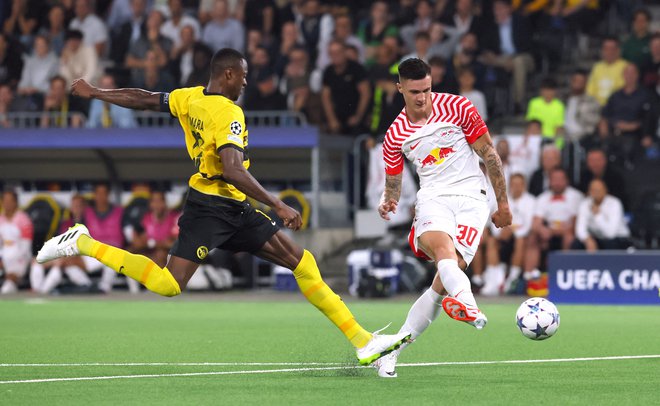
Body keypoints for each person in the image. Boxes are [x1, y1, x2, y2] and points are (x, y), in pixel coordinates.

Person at [37, 47, 410, 365]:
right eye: (243, 75)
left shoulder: (189, 97)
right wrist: (278, 203)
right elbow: (232, 169)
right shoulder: (229, 113)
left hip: (234, 208)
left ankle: (363, 342)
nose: (246, 82)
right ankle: (83, 242)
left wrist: (96, 91)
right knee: (169, 285)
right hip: (210, 207)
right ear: (229, 73)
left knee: (303, 262)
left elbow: (145, 98)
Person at [375, 58, 511, 377]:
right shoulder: (396, 135)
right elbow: (393, 183)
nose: (422, 97)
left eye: (427, 89)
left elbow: (489, 153)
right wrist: (388, 201)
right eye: (414, 92)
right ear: (400, 89)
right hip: (434, 197)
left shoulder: (458, 107)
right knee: (444, 256)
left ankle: (390, 351)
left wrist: (502, 203)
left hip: (472, 199)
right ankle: (471, 307)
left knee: (441, 285)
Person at [524, 167, 583, 280]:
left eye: (560, 179)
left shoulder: (576, 196)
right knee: (533, 237)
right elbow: (536, 223)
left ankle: (564, 276)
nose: (557, 183)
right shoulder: (543, 197)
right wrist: (542, 230)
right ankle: (529, 277)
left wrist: (557, 231)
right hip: (548, 233)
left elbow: (576, 224)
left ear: (567, 181)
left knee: (569, 237)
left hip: (568, 232)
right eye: (554, 179)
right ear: (549, 181)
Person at [481, 173, 535, 295]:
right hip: (502, 236)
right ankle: (492, 281)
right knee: (491, 241)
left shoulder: (530, 201)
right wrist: (499, 232)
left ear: (524, 186)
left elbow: (528, 225)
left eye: (519, 184)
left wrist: (513, 232)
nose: (516, 187)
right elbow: (494, 219)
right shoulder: (501, 200)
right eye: (513, 184)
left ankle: (512, 278)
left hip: (520, 238)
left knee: (521, 241)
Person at [321, 40, 371, 135]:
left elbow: (365, 94)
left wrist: (358, 116)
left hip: (356, 115)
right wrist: (332, 119)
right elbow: (325, 97)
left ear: (344, 52)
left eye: (338, 52)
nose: (335, 55)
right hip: (337, 116)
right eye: (332, 53)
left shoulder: (357, 69)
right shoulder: (328, 71)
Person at [573, 178, 630, 252]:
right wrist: (587, 239)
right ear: (589, 191)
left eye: (599, 190)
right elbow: (580, 229)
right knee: (576, 244)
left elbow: (610, 234)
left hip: (618, 238)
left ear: (605, 190)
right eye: (593, 190)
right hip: (596, 238)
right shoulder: (585, 204)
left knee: (610, 244)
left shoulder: (614, 203)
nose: (596, 193)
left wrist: (598, 215)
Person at [128, 191, 179, 268]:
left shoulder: (174, 218)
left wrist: (153, 244)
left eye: (159, 201)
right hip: (151, 254)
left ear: (164, 203)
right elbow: (140, 241)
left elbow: (172, 243)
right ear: (150, 204)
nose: (157, 205)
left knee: (160, 254)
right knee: (131, 252)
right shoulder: (146, 218)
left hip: (169, 256)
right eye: (154, 201)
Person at [0, 190, 33, 294]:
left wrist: (6, 262)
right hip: (4, 256)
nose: (7, 203)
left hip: (19, 258)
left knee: (6, 288)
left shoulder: (24, 219)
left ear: (16, 202)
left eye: (10, 201)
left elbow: (25, 248)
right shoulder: (1, 219)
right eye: (5, 201)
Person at [586, 37, 627, 106]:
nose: (609, 52)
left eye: (612, 49)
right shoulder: (597, 67)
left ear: (618, 50)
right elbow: (590, 91)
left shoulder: (626, 67)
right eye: (606, 49)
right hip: (596, 107)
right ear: (602, 51)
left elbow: (624, 91)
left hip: (617, 107)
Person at [564, 69, 601, 145]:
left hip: (583, 139)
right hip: (564, 139)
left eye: (581, 81)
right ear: (571, 81)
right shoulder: (564, 99)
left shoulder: (592, 101)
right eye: (576, 81)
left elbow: (594, 124)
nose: (578, 84)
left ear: (585, 83)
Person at [525, 77, 565, 148]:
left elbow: (559, 127)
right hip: (536, 140)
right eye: (545, 89)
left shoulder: (559, 106)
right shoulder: (534, 103)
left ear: (555, 91)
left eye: (550, 90)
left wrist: (556, 146)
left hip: (552, 140)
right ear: (541, 90)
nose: (547, 92)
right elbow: (531, 125)